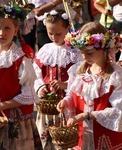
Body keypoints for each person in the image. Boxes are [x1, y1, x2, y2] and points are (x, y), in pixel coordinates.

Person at [57, 21, 122, 150]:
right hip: (81, 137)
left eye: (89, 53)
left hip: (106, 139)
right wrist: (66, 101)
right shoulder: (77, 71)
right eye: (81, 53)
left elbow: (116, 111)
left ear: (104, 48)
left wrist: (87, 115)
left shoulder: (116, 75)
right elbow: (71, 95)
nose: (84, 57)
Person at [0, 3, 43, 150]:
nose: (1, 32)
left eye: (7, 28)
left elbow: (27, 95)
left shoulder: (20, 60)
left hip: (15, 121)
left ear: (16, 31)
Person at [33, 9, 83, 149]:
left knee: (66, 141)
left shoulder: (75, 52)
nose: (54, 37)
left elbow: (81, 77)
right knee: (47, 142)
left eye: (58, 33)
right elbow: (36, 73)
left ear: (67, 28)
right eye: (50, 33)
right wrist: (41, 87)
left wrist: (65, 84)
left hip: (66, 106)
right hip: (48, 107)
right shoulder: (45, 50)